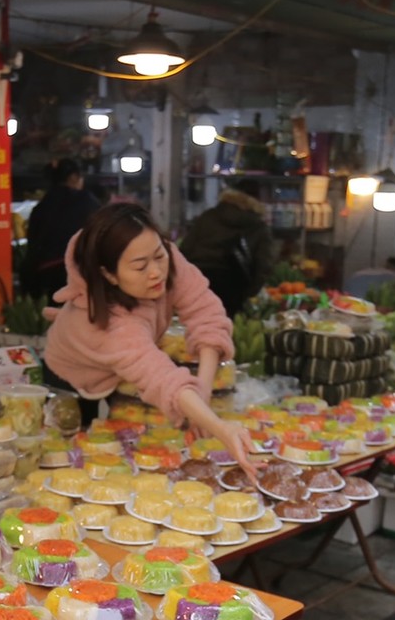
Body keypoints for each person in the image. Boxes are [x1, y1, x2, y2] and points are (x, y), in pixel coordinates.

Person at [43, 202, 259, 467]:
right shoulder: (108, 327)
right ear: (108, 274)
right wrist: (219, 427)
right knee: (83, 457)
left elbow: (206, 312)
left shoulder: (159, 254)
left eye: (159, 256)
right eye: (140, 266)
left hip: (124, 371)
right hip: (71, 377)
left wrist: (202, 391)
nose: (156, 272)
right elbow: (162, 378)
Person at [178, 180, 275, 315]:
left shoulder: (208, 216)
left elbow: (185, 250)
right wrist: (248, 292)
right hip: (234, 287)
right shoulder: (258, 226)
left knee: (197, 325)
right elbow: (264, 265)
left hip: (198, 282)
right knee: (223, 330)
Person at [23, 159, 100, 301]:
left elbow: (32, 247)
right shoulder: (86, 201)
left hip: (44, 276)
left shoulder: (41, 207)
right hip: (77, 273)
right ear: (74, 177)